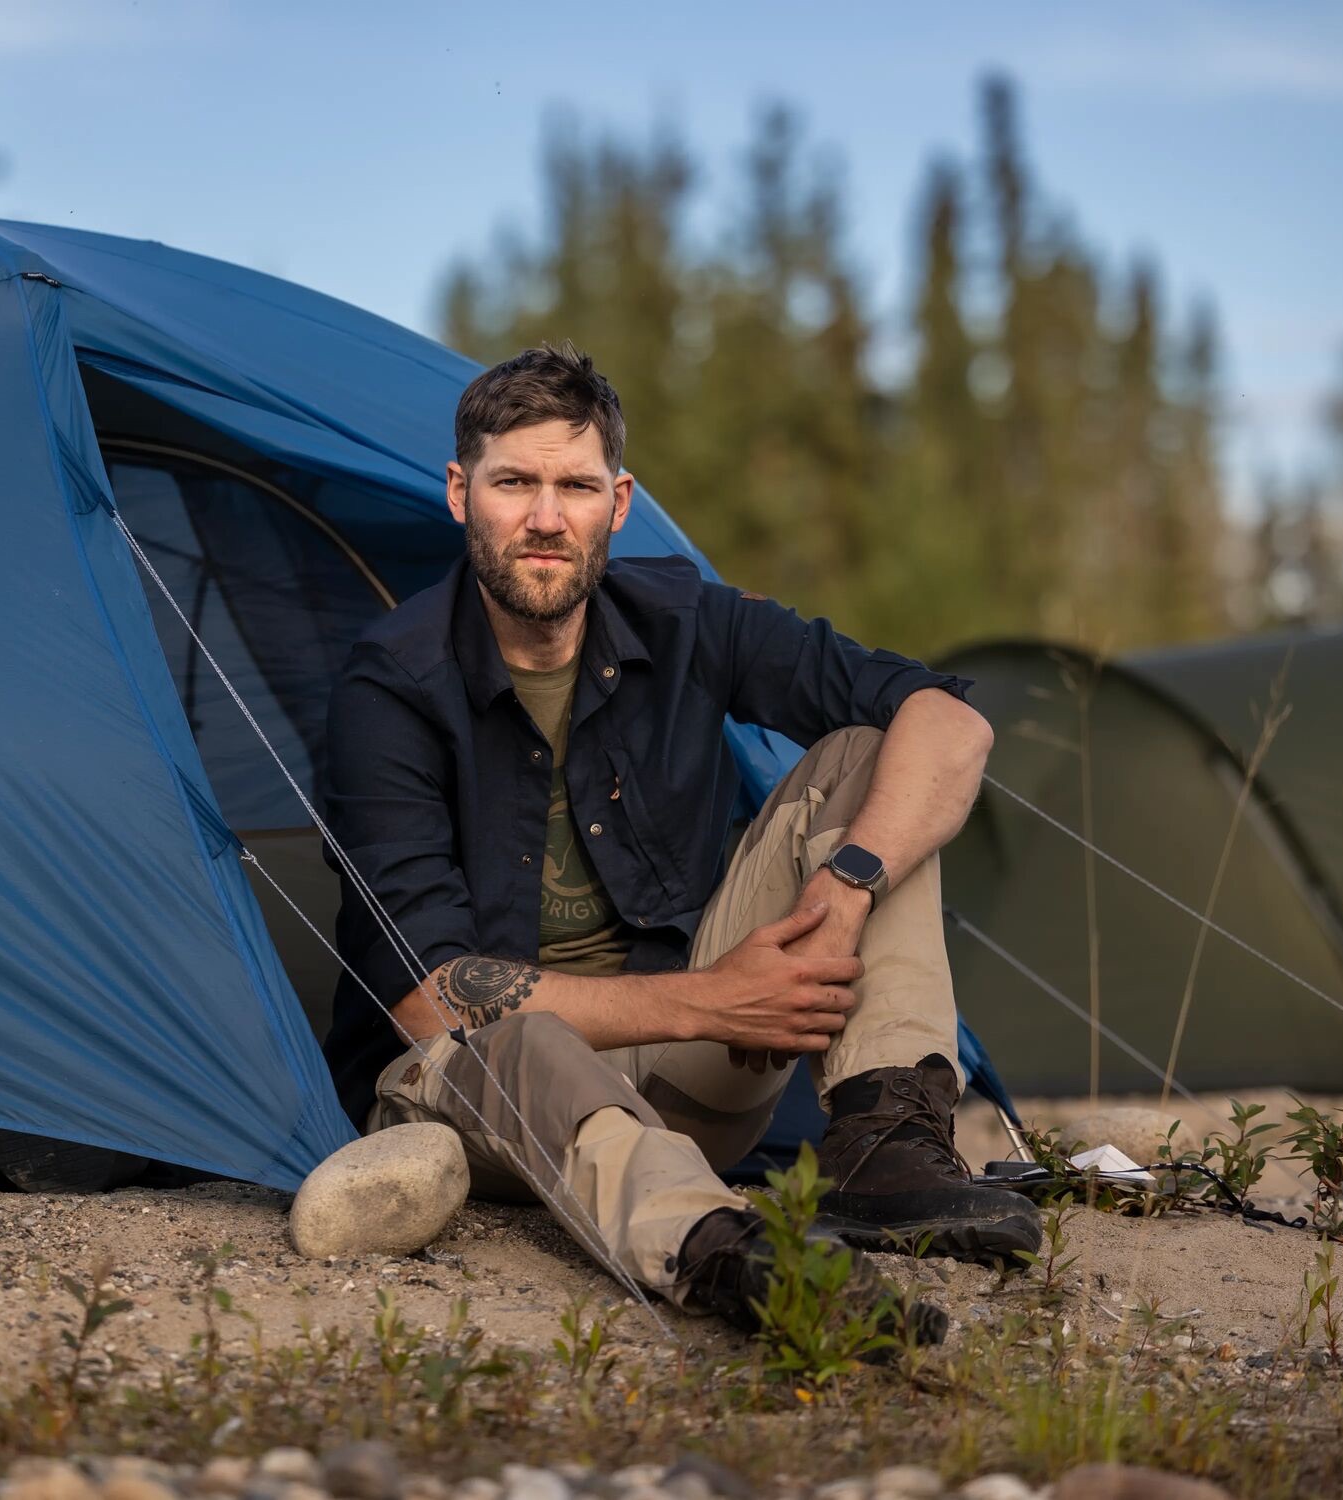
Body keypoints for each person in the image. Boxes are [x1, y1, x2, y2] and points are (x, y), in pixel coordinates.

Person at [320, 342, 1039, 1341]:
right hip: (470, 1095)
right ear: (458, 493)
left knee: (882, 753)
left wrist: (844, 892)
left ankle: (886, 1147)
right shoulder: (390, 684)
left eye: (573, 487)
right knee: (519, 1037)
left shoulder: (684, 619)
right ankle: (729, 1257)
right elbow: (427, 998)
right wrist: (712, 998)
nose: (542, 518)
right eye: (513, 483)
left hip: (681, 1068)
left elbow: (951, 724)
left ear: (617, 504)